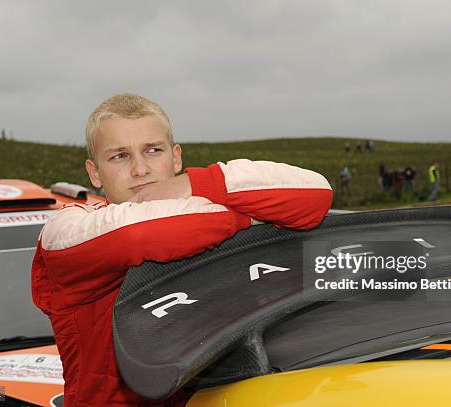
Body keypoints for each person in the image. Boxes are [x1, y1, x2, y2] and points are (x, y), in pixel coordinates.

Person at [31, 93, 333, 406]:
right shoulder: (66, 229)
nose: (140, 169)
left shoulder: (195, 203)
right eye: (120, 156)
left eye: (153, 150)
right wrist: (249, 215)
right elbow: (137, 234)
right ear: (95, 173)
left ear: (176, 158)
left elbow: (316, 195)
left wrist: (193, 184)